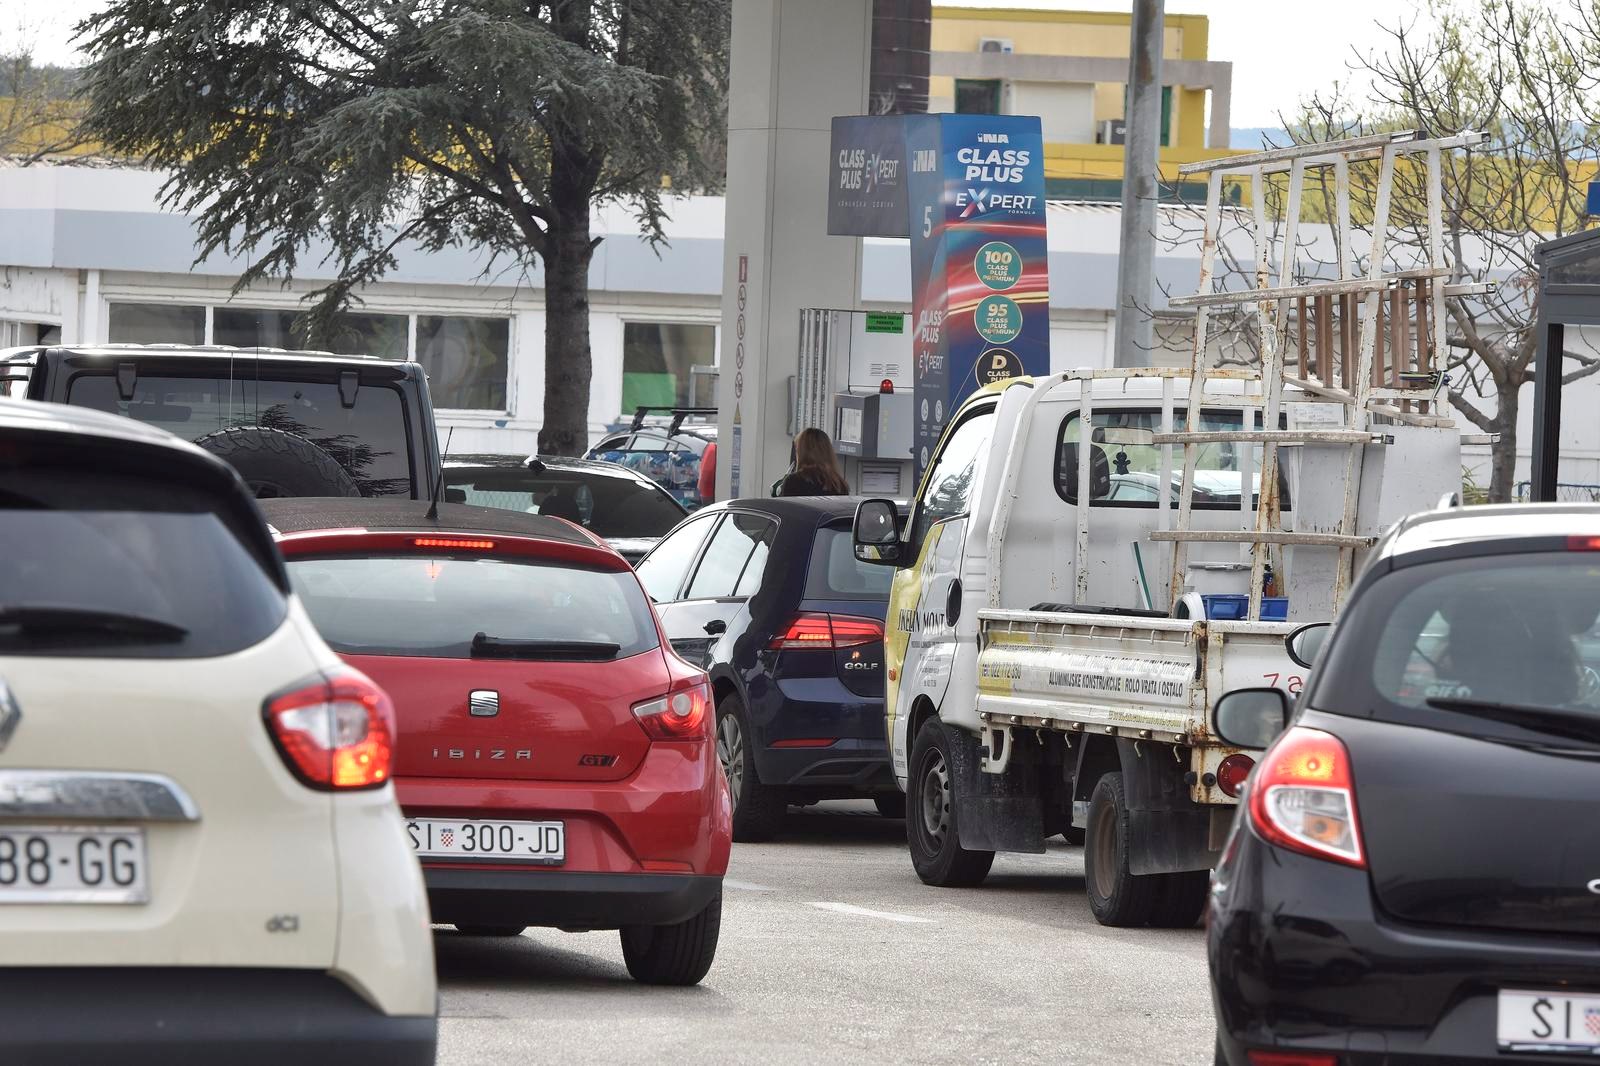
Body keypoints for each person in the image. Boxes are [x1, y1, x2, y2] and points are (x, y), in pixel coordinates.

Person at [776, 427, 848, 497]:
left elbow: (784, 508)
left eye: (797, 450)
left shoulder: (793, 482)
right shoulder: (839, 485)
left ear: (802, 453)